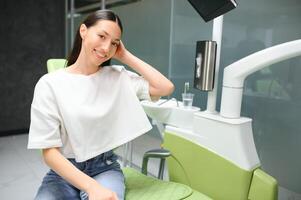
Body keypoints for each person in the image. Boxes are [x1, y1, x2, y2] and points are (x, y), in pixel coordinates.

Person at [27, 10, 174, 200]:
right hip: (63, 173)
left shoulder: (117, 77)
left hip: (104, 168)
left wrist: (125, 56)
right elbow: (49, 153)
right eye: (102, 36)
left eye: (113, 43)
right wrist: (91, 187)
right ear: (83, 31)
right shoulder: (49, 84)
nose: (106, 48)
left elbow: (165, 87)